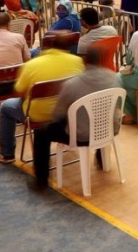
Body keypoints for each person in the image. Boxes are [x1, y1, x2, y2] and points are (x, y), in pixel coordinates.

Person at [29, 45, 121, 191]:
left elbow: (57, 115)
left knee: (41, 132)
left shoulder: (72, 84)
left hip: (81, 135)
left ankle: (41, 181)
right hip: (109, 129)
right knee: (98, 116)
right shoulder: (114, 78)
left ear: (84, 61)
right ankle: (102, 159)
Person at [0, 31, 85, 163]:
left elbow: (19, 92)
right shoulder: (78, 61)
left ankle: (6, 153)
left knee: (6, 107)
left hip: (39, 115)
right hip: (67, 113)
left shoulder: (31, 65)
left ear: (44, 46)